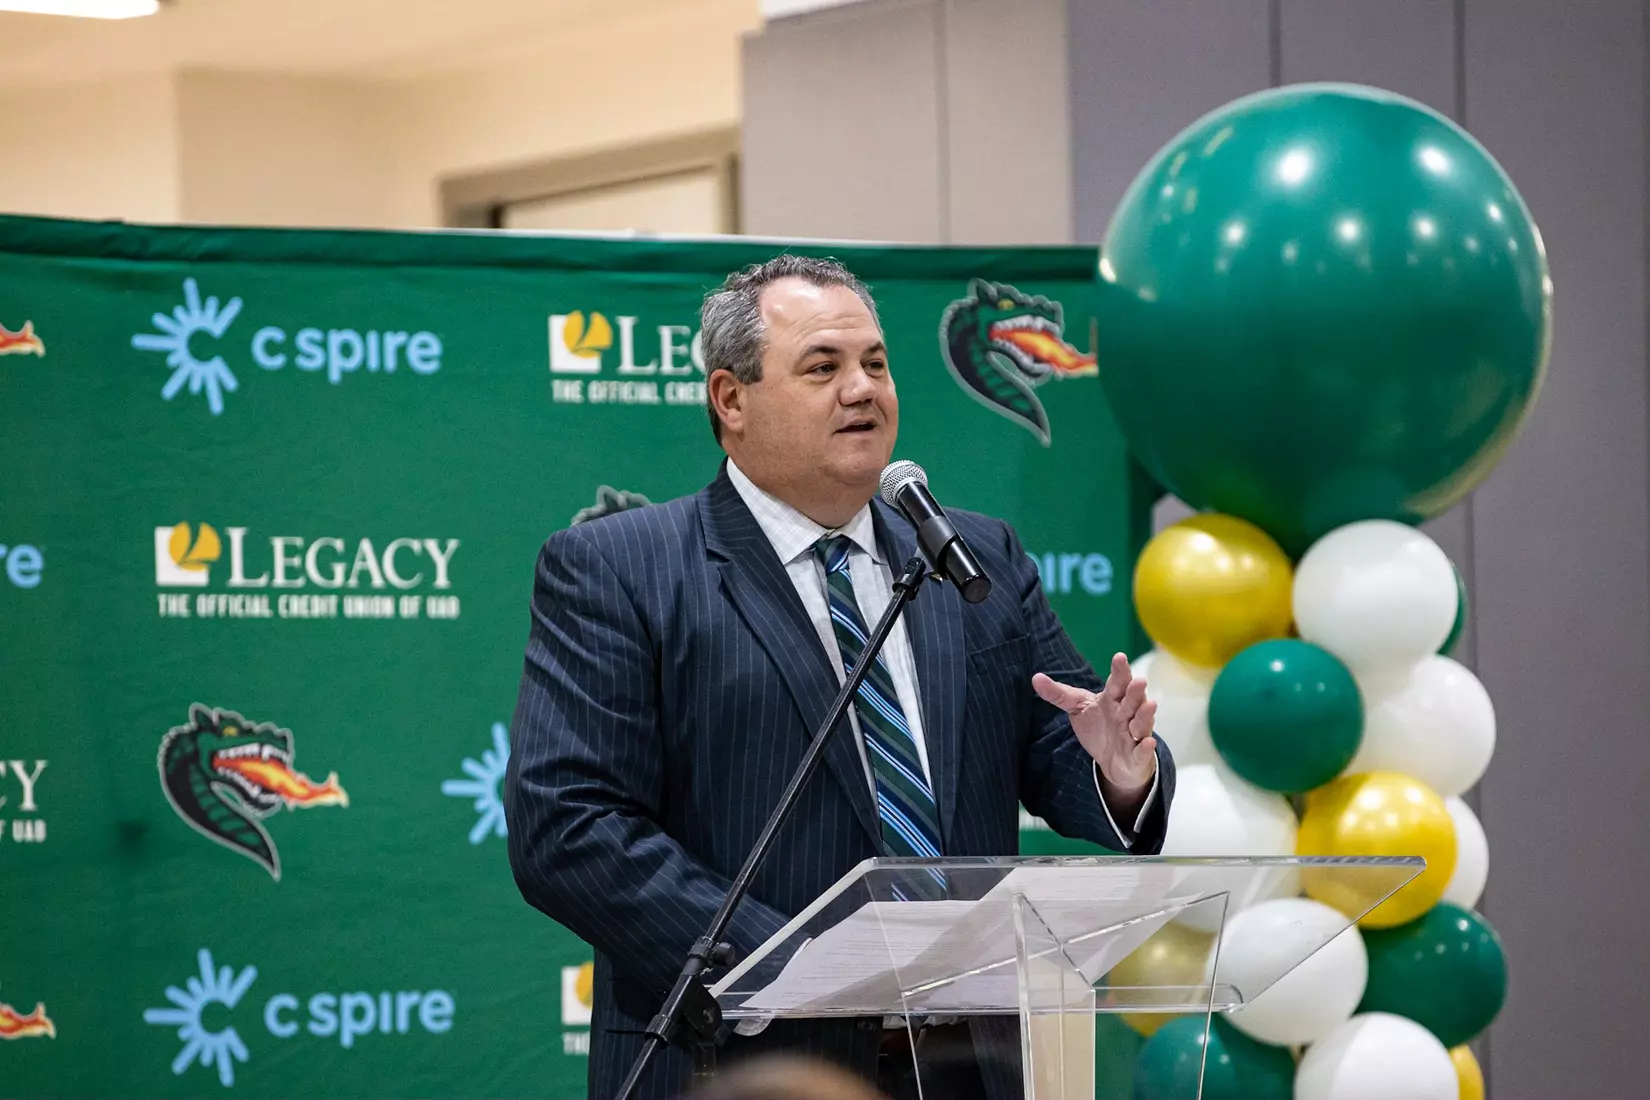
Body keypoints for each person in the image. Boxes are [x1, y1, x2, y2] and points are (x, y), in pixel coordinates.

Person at [505, 255, 1176, 1100]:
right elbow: (567, 828)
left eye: (876, 364)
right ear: (731, 399)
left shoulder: (973, 556)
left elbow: (1061, 743)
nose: (862, 389)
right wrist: (797, 967)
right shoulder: (620, 570)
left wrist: (1123, 773)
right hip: (744, 1064)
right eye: (823, 367)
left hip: (970, 1065)